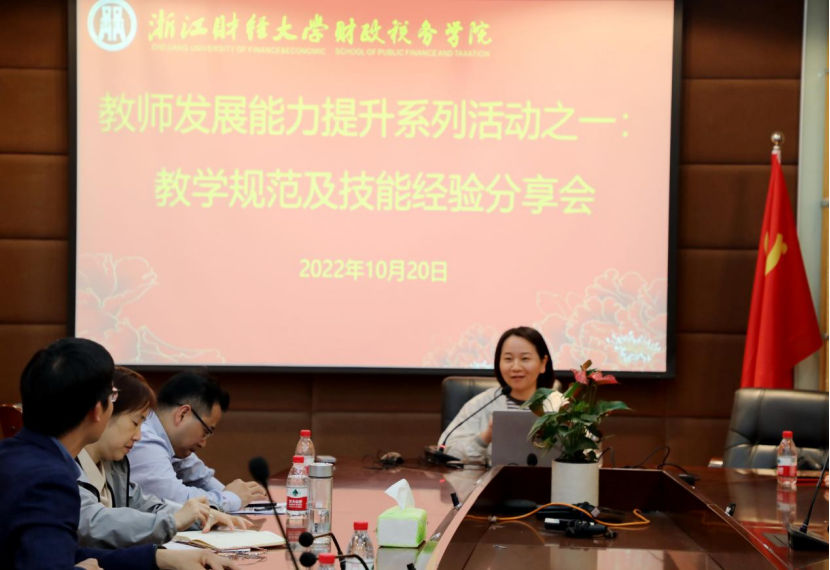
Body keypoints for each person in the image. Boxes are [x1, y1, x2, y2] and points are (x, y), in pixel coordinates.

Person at [0, 337, 239, 570]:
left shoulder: (12, 455)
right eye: (112, 396)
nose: (139, 435)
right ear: (97, 410)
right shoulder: (50, 480)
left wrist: (158, 558)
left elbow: (65, 553)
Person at [77, 366, 252, 549]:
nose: (138, 436)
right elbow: (93, 522)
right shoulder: (68, 465)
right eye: (135, 423)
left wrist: (200, 514)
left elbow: (147, 505)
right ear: (102, 413)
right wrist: (173, 523)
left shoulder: (114, 465)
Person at [129, 369, 267, 512]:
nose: (203, 443)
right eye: (205, 432)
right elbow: (175, 499)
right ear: (183, 414)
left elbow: (202, 478)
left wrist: (241, 495)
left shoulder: (170, 442)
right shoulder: (144, 439)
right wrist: (230, 498)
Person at [438, 326, 557, 463]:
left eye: (525, 358)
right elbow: (445, 451)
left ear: (543, 363)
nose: (515, 367)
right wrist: (485, 437)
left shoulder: (559, 405)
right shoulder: (481, 404)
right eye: (508, 359)